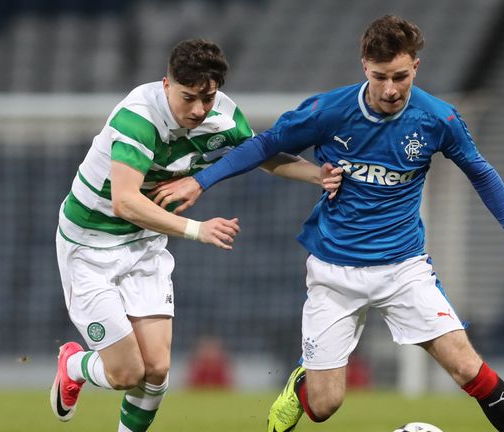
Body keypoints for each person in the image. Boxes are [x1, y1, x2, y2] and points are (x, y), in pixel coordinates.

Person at [152, 16, 504, 432]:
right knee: (324, 406)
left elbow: (481, 173)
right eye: (380, 77)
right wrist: (200, 180)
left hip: (403, 268)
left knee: (467, 368)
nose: (391, 89)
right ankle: (302, 381)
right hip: (334, 271)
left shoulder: (437, 119)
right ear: (364, 67)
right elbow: (266, 144)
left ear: (416, 67)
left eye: (400, 76)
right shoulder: (331, 111)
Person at [50, 39, 342, 432]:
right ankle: (73, 364)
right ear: (167, 84)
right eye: (189, 97)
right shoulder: (138, 117)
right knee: (125, 373)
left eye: (208, 96)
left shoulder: (223, 116)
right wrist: (196, 229)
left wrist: (315, 175)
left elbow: (262, 155)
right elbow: (124, 202)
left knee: (156, 369)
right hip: (90, 246)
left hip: (143, 244)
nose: (199, 109)